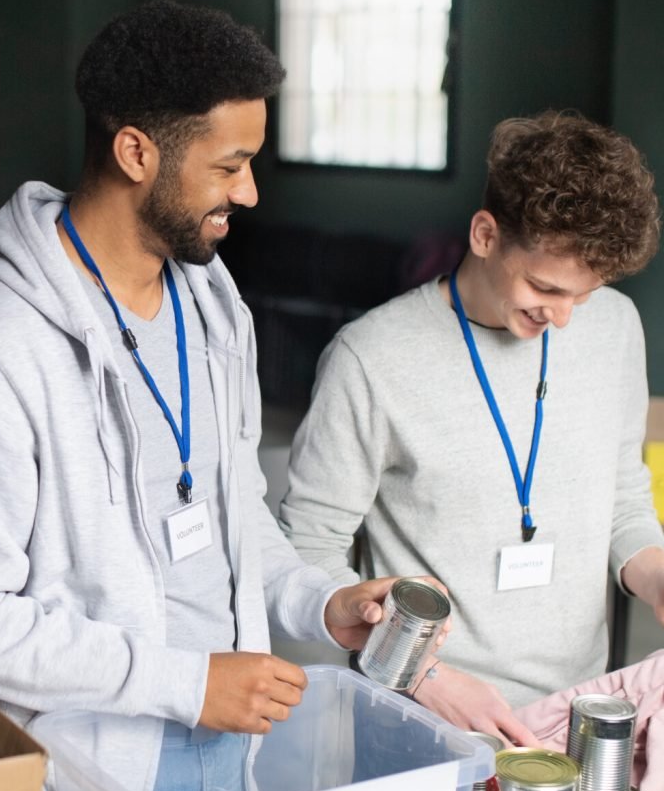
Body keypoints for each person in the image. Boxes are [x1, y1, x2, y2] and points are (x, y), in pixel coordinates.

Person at [0, 0, 430, 791]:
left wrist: (319, 603)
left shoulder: (212, 308)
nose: (251, 193)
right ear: (137, 151)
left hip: (227, 767)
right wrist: (188, 683)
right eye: (231, 165)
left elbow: (232, 520)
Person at [280, 111, 664, 746]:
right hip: (420, 719)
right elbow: (307, 549)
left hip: (578, 719)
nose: (565, 318)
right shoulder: (372, 357)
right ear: (486, 235)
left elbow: (622, 497)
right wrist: (422, 674)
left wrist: (656, 576)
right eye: (545, 286)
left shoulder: (617, 326)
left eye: (585, 295)